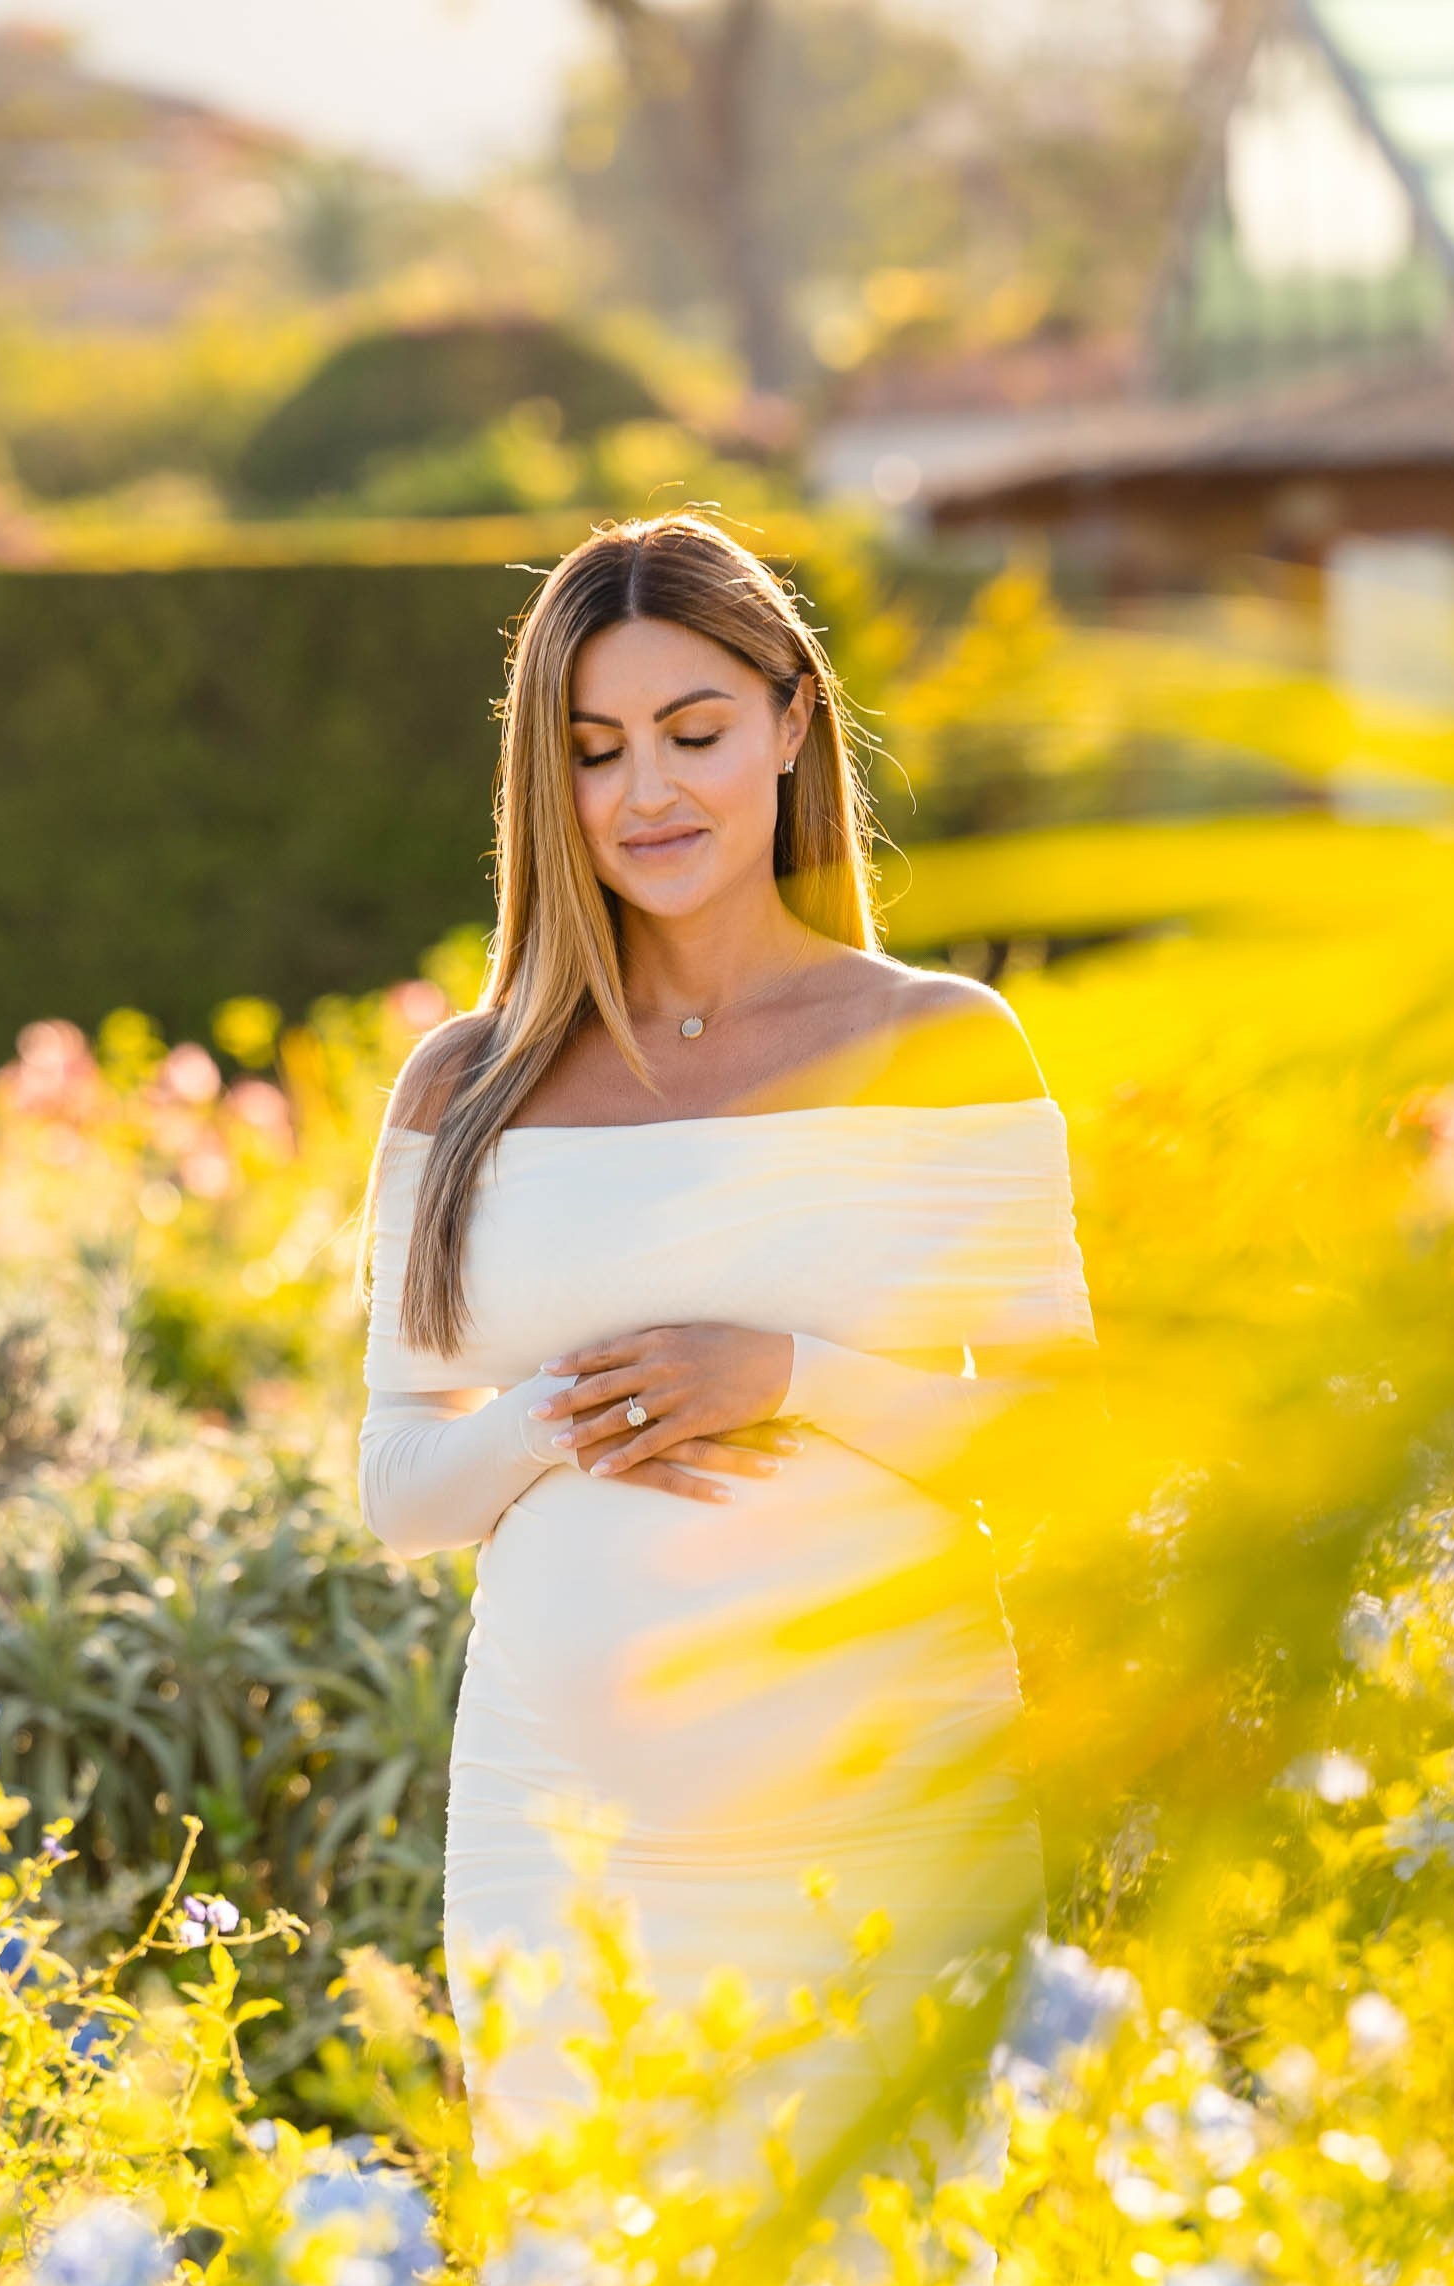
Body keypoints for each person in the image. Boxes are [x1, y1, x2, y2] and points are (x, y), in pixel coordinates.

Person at [356, 512, 1095, 2169]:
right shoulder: (464, 1088)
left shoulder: (940, 1046)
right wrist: (564, 1411)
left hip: (893, 1810)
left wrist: (783, 1375)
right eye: (596, 752)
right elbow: (403, 1485)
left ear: (789, 723)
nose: (646, 794)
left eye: (691, 734)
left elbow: (1066, 1456)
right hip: (568, 1843)